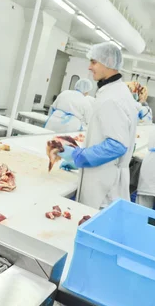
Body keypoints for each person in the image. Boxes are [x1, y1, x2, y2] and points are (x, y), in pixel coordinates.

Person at [58, 43, 139, 209]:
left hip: (103, 184)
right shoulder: (115, 92)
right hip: (106, 177)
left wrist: (79, 157)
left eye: (94, 62)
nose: (89, 67)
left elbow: (117, 145)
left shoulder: (112, 99)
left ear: (108, 62)